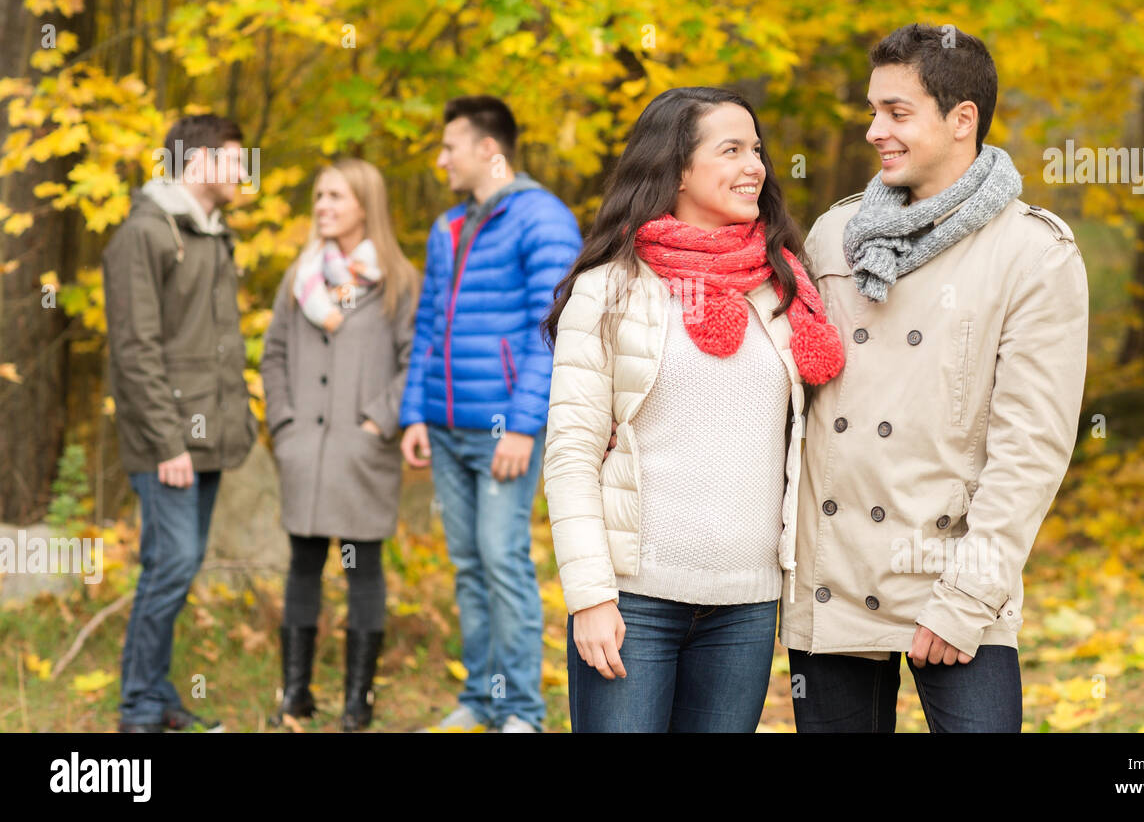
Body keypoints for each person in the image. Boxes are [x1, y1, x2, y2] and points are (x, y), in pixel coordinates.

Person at [781, 23, 1090, 732]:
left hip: (952, 574)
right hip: (834, 568)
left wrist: (970, 597)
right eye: (871, 111)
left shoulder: (1031, 254)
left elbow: (1030, 449)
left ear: (961, 120)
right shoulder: (836, 236)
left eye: (896, 112)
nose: (873, 131)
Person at [543, 86, 845, 732]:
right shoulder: (611, 288)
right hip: (634, 598)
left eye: (757, 150)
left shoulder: (783, 287)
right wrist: (591, 596)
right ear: (675, 168)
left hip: (746, 606)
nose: (755, 168)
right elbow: (570, 455)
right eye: (730, 150)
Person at [399, 96, 582, 732]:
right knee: (470, 566)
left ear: (487, 149)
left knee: (503, 562)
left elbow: (554, 329)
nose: (441, 158)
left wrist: (525, 424)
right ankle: (480, 698)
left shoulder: (544, 219)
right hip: (445, 427)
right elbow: (428, 325)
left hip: (503, 429)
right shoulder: (447, 226)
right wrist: (414, 412)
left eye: (450, 146)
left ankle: (522, 714)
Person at [103, 113, 258, 732]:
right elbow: (135, 350)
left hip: (209, 439)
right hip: (167, 443)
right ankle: (139, 708)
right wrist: (170, 444)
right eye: (232, 159)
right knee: (171, 565)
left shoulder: (213, 234)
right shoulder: (144, 233)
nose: (243, 171)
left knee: (177, 565)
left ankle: (159, 697)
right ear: (196, 164)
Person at [261, 158, 418, 731]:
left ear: (365, 205)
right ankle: (295, 696)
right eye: (319, 196)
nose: (323, 206)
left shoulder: (398, 281)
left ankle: (358, 702)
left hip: (362, 454)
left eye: (336, 196)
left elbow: (413, 364)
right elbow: (273, 353)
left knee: (363, 568)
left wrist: (379, 422)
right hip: (305, 449)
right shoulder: (300, 275)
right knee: (302, 564)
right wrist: (284, 424)